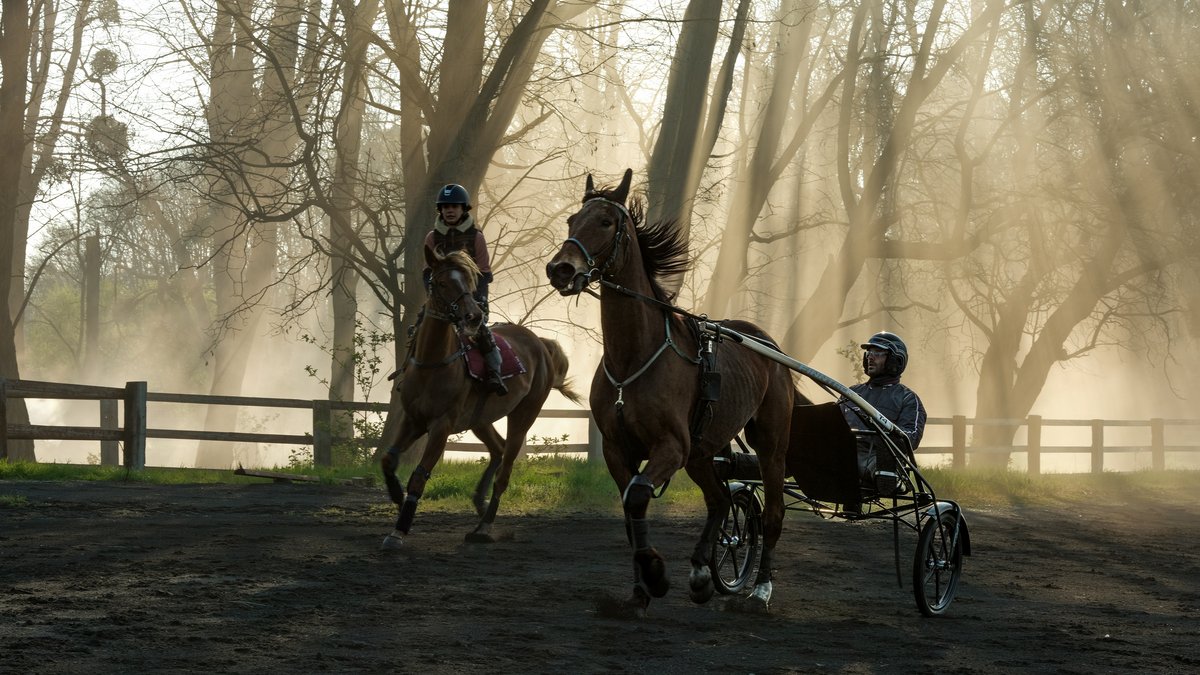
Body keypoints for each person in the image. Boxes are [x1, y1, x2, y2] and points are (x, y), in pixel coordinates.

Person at [422, 183, 507, 396]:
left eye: (455, 206)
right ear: (440, 210)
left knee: (482, 334)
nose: (450, 210)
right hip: (441, 299)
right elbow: (427, 273)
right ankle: (409, 372)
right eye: (446, 206)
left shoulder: (476, 237)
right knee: (417, 332)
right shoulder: (432, 238)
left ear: (463, 209)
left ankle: (495, 373)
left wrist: (479, 302)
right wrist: (432, 298)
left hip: (469, 298)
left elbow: (484, 273)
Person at [839, 331, 927, 496]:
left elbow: (911, 438)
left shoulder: (908, 398)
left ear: (895, 360)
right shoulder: (850, 393)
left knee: (885, 458)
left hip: (880, 458)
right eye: (869, 353)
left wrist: (885, 439)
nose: (870, 358)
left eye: (878, 353)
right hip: (846, 454)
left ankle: (887, 477)